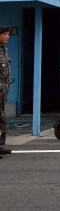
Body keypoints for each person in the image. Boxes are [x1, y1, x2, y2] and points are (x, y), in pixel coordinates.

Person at [0, 25, 13, 156]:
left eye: (8, 34)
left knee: (1, 115)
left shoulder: (4, 50)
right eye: (4, 34)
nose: (7, 37)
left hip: (3, 89)